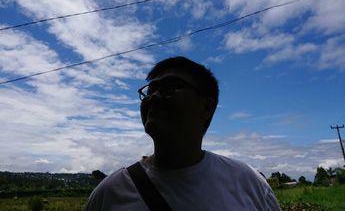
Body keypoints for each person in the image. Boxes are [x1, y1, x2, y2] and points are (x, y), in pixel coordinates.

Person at [85, 56, 281, 211]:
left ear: (206, 107)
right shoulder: (109, 193)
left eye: (170, 88)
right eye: (150, 89)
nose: (153, 96)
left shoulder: (248, 182)